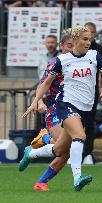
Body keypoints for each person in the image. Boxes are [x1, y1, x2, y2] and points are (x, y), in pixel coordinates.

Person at [21, 25, 102, 192]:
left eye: (89, 39)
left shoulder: (94, 56)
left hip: (84, 108)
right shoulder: (59, 61)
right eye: (84, 39)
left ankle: (33, 152)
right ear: (67, 44)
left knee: (61, 150)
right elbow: (44, 84)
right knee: (79, 137)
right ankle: (77, 178)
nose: (88, 42)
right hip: (61, 106)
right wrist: (37, 102)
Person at [19, 29, 73, 191]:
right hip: (55, 109)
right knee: (63, 150)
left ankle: (42, 142)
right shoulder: (55, 63)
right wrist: (39, 102)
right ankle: (40, 180)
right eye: (69, 45)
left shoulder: (79, 63)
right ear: (61, 46)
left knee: (65, 152)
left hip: (73, 110)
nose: (72, 48)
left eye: (74, 45)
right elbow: (43, 84)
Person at [82, 22, 102, 164]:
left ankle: (87, 153)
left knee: (89, 123)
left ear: (95, 33)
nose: (89, 35)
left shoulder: (98, 50)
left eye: (92, 32)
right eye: (87, 32)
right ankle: (73, 151)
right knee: (75, 122)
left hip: (92, 91)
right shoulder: (78, 47)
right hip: (76, 91)